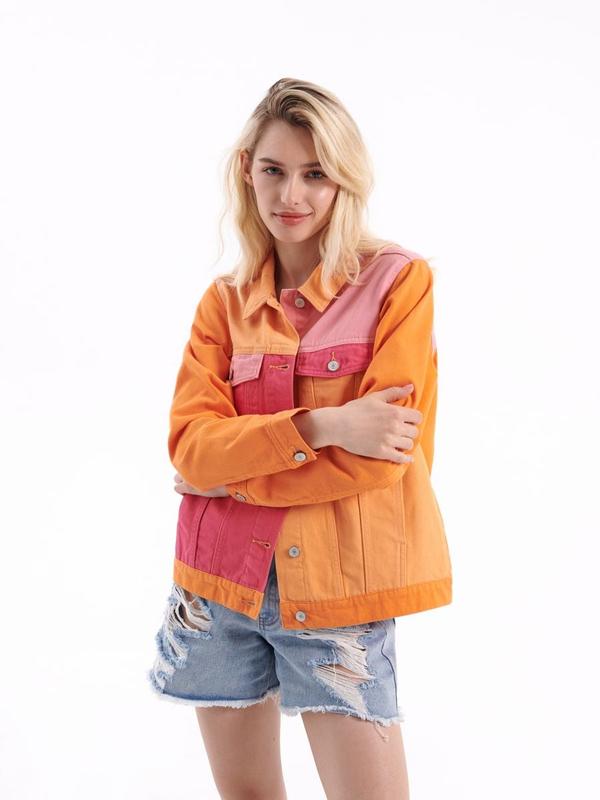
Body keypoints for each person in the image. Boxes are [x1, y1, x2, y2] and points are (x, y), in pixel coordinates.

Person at [147, 77, 452, 800]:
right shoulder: (224, 304)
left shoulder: (397, 284)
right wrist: (323, 425)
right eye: (274, 169)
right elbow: (190, 449)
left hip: (339, 593)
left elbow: (380, 463)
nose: (293, 194)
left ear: (345, 178)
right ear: (246, 171)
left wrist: (231, 474)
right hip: (217, 589)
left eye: (316, 174)